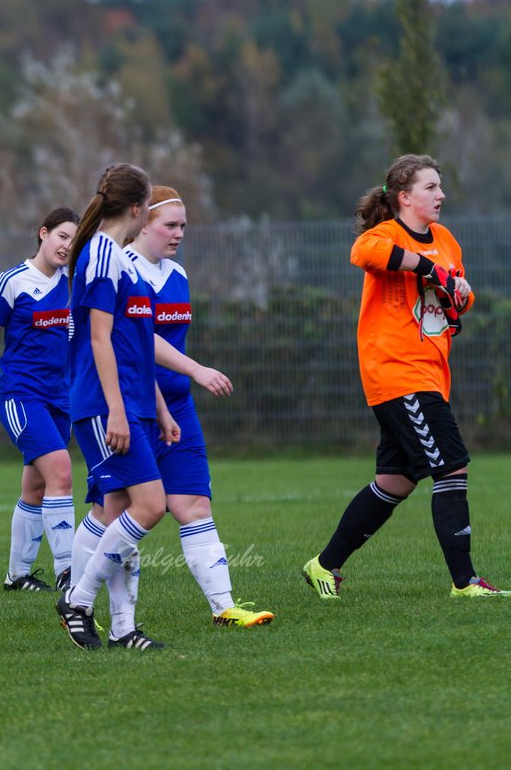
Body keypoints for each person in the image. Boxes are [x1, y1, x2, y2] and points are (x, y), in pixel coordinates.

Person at [302, 154, 505, 599]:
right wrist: (430, 270)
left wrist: (461, 294)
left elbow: (453, 300)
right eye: (431, 187)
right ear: (404, 197)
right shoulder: (385, 235)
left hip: (431, 374)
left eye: (440, 186)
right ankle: (465, 582)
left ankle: (324, 564)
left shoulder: (447, 239)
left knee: (396, 481)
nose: (441, 195)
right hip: (397, 373)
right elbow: (363, 252)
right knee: (452, 466)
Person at [123, 187, 274, 627]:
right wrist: (198, 369)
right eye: (170, 225)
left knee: (193, 505)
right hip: (130, 406)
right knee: (112, 511)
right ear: (143, 222)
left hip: (177, 406)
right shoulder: (124, 271)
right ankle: (79, 600)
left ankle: (224, 607)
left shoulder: (178, 275)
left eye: (183, 225)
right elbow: (138, 342)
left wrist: (185, 380)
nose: (178, 233)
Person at [55, 163, 176, 652]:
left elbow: (134, 343)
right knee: (151, 506)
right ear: (137, 208)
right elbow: (100, 340)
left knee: (120, 512)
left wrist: (159, 408)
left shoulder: (118, 256)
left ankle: (125, 629)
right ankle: (78, 600)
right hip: (108, 404)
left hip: (133, 401)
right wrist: (118, 410)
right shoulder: (102, 253)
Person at [0, 207, 79, 592]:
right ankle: (68, 572)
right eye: (61, 236)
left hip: (61, 398)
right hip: (21, 396)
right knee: (61, 471)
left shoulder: (73, 285)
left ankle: (17, 575)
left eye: (74, 241)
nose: (66, 246)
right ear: (43, 234)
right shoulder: (12, 281)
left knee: (37, 487)